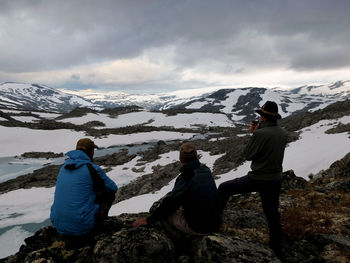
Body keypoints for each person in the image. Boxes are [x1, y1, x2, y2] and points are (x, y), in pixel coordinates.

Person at [217, 101, 287, 258]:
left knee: (224, 188)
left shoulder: (261, 134)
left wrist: (254, 133)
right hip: (275, 179)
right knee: (272, 214)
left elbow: (248, 155)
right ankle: (277, 249)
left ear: (263, 117)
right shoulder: (283, 133)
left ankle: (215, 224)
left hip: (258, 178)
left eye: (261, 115)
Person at [133, 142, 221, 235]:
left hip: (199, 227)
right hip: (215, 222)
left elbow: (170, 205)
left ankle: (177, 238)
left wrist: (149, 220)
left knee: (163, 214)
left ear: (181, 159)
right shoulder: (205, 169)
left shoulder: (187, 176)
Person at [50, 138, 118, 238]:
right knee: (108, 193)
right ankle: (98, 223)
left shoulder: (64, 167)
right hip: (82, 227)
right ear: (91, 152)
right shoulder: (92, 168)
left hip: (58, 225)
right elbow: (113, 188)